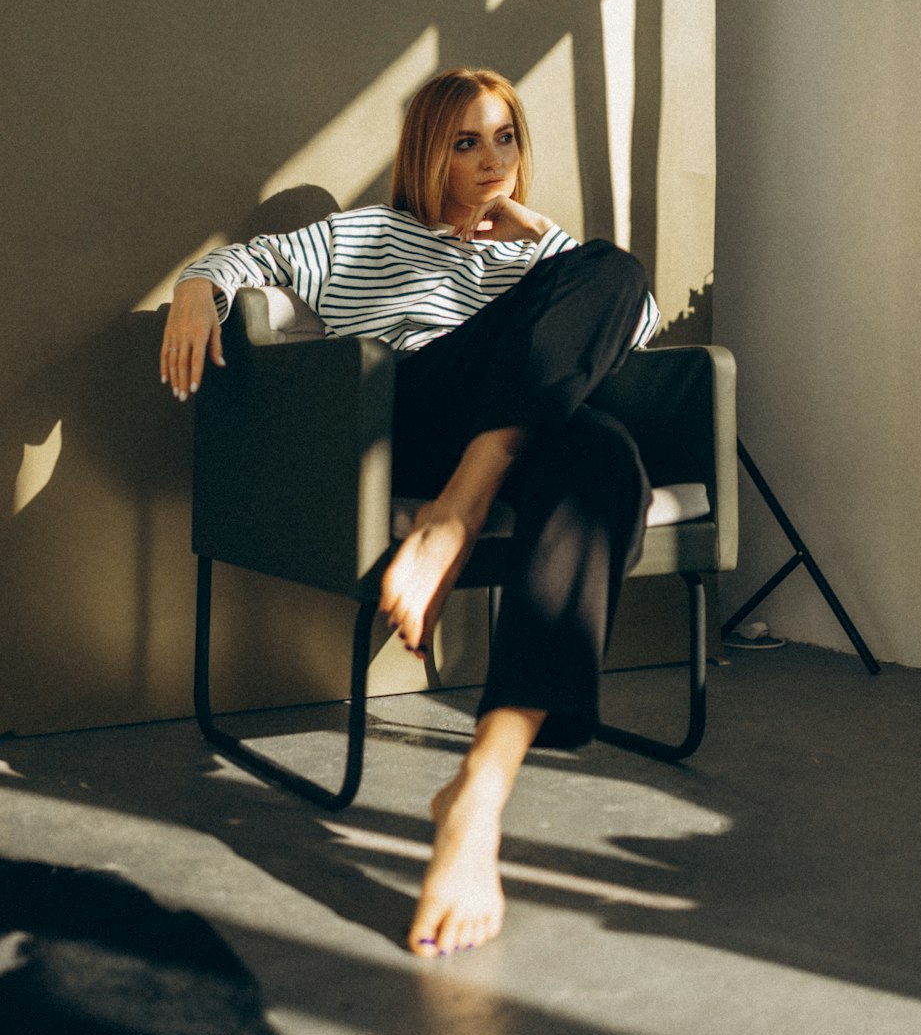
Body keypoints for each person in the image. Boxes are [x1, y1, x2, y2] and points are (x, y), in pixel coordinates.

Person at [160, 69, 659, 958]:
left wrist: (542, 238)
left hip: (505, 436)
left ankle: (479, 791)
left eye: (504, 137)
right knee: (604, 307)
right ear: (429, 150)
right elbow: (245, 262)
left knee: (600, 452)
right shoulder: (368, 235)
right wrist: (198, 287)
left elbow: (634, 324)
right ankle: (457, 505)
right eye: (466, 142)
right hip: (411, 409)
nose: (491, 161)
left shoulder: (539, 253)